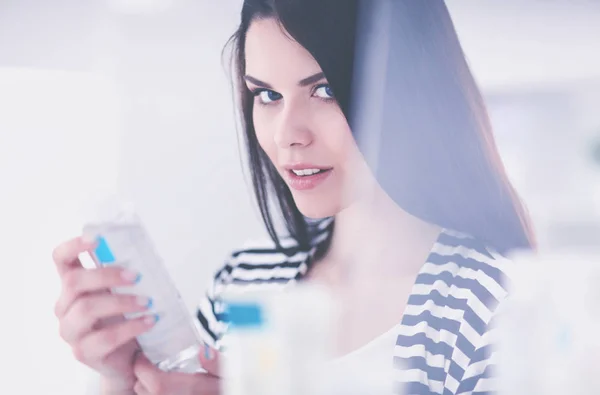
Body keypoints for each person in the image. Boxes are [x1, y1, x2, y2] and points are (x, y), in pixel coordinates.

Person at [51, 0, 535, 394]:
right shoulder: (241, 285)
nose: (287, 135)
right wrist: (117, 376)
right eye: (266, 96)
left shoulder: (487, 305)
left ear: (408, 92)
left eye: (323, 90)